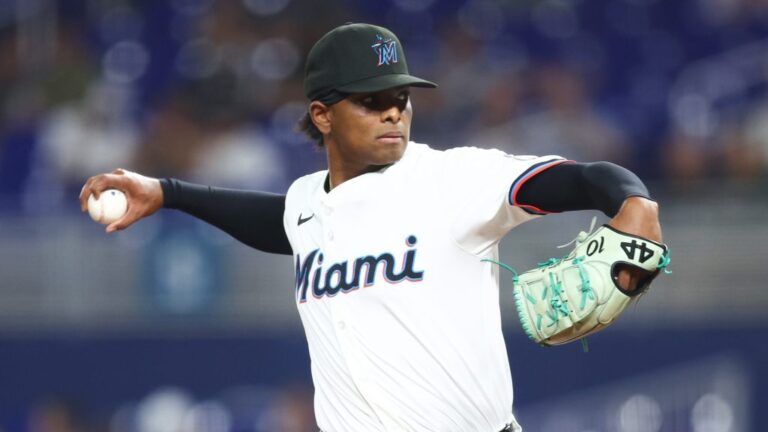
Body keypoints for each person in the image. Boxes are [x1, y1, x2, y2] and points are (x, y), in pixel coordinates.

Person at [80, 23, 663, 432]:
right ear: (322, 114)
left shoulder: (453, 178)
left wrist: (635, 204)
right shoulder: (309, 203)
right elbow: (278, 222)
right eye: (372, 99)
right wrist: (168, 193)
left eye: (401, 98)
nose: (394, 111)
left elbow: (584, 178)